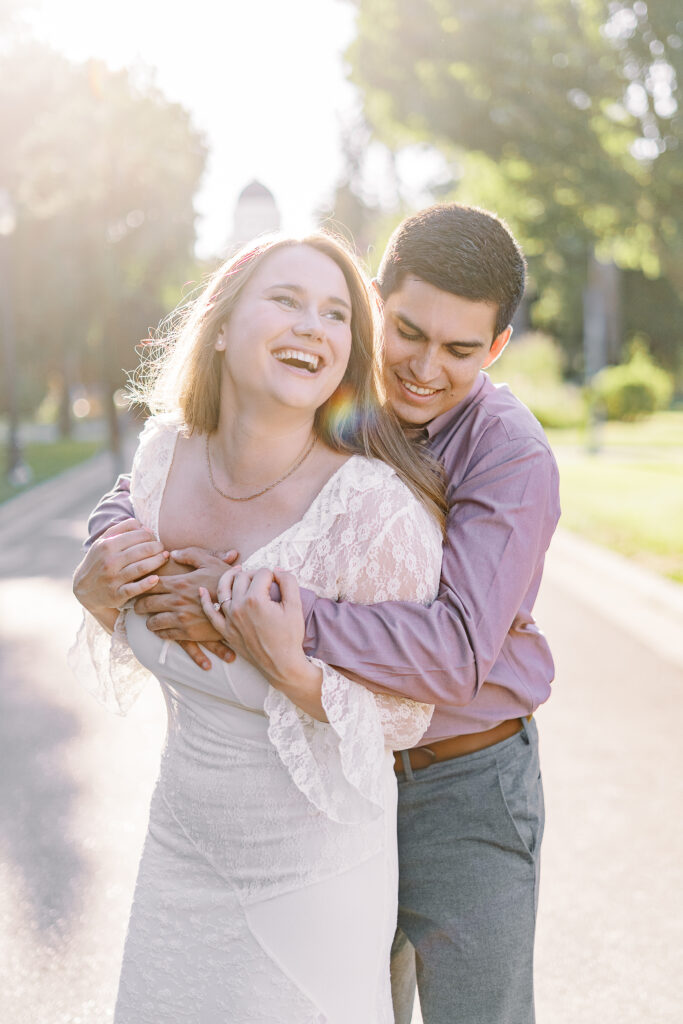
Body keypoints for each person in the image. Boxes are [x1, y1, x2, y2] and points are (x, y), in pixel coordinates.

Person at [75, 204, 561, 1024]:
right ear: (375, 301)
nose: (422, 368)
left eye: (459, 350)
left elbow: (451, 653)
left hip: (461, 785)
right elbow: (157, 483)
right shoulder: (326, 386)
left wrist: (258, 613)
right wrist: (111, 542)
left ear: (496, 349)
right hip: (318, 782)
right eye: (407, 331)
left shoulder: (510, 454)